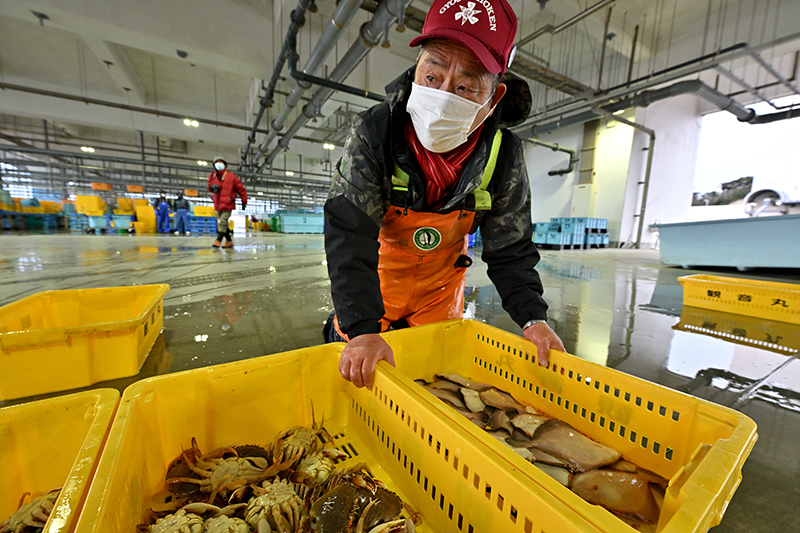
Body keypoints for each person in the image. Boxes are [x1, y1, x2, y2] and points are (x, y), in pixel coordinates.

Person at [323, 0, 565, 390]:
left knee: (435, 387)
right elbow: (348, 233)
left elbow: (511, 249)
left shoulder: (503, 157)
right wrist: (363, 327)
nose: (443, 95)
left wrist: (532, 318)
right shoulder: (375, 132)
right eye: (433, 76)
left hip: (440, 296)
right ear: (416, 68)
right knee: (355, 385)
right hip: (374, 289)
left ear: (494, 98)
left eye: (466, 86)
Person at [207, 156, 247, 248]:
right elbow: (209, 187)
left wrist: (244, 201)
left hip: (228, 203)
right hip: (218, 203)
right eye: (217, 162)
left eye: (221, 162)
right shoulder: (212, 176)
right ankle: (229, 241)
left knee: (223, 222)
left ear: (225, 164)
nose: (219, 163)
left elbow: (241, 190)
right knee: (223, 223)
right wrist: (212, 188)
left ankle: (218, 240)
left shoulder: (232, 176)